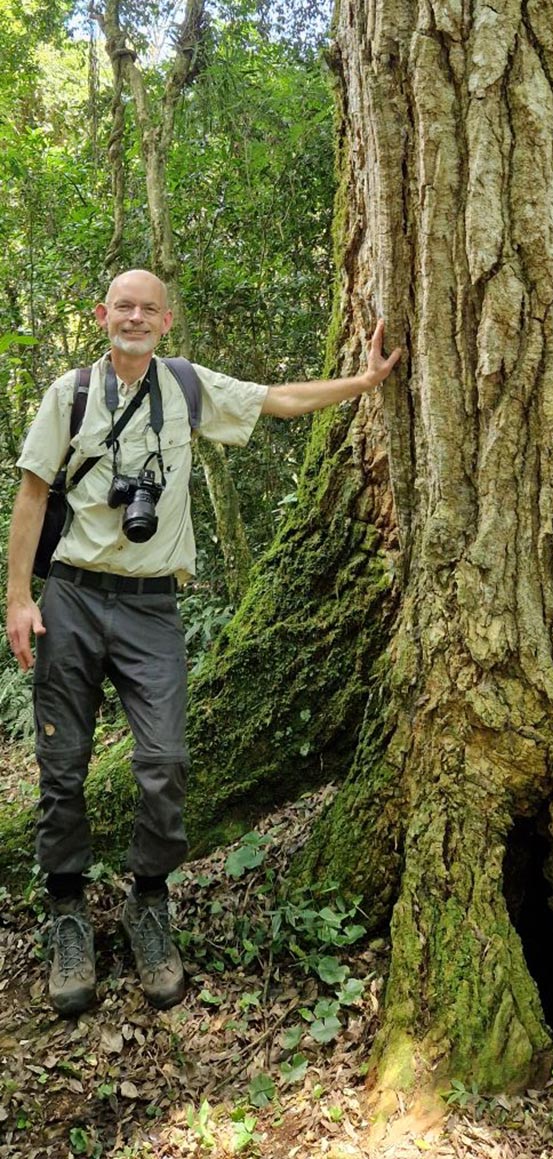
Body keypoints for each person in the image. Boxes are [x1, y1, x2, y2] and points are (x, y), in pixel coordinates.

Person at [5, 269, 401, 1017]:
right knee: (62, 768)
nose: (134, 317)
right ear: (102, 314)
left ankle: (148, 903)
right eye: (123, 305)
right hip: (73, 597)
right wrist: (19, 596)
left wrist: (364, 379)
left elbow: (276, 400)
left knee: (165, 761)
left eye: (148, 308)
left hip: (153, 606)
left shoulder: (185, 387)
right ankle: (67, 915)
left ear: (167, 321)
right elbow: (32, 493)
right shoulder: (72, 394)